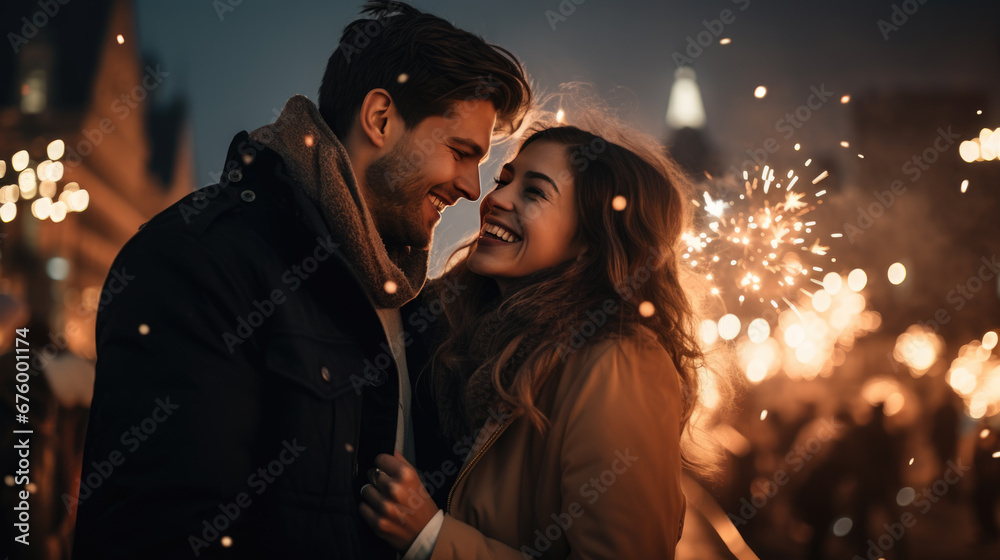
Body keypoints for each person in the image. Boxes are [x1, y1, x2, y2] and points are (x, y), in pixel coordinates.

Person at [71, 2, 531, 558]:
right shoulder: (200, 259)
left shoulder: (406, 298)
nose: (473, 188)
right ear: (381, 120)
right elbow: (158, 532)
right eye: (460, 152)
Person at [359, 124, 716, 559]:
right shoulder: (452, 331)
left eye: (534, 193)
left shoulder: (619, 362)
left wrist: (432, 539)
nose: (495, 199)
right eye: (504, 180)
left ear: (591, 240)